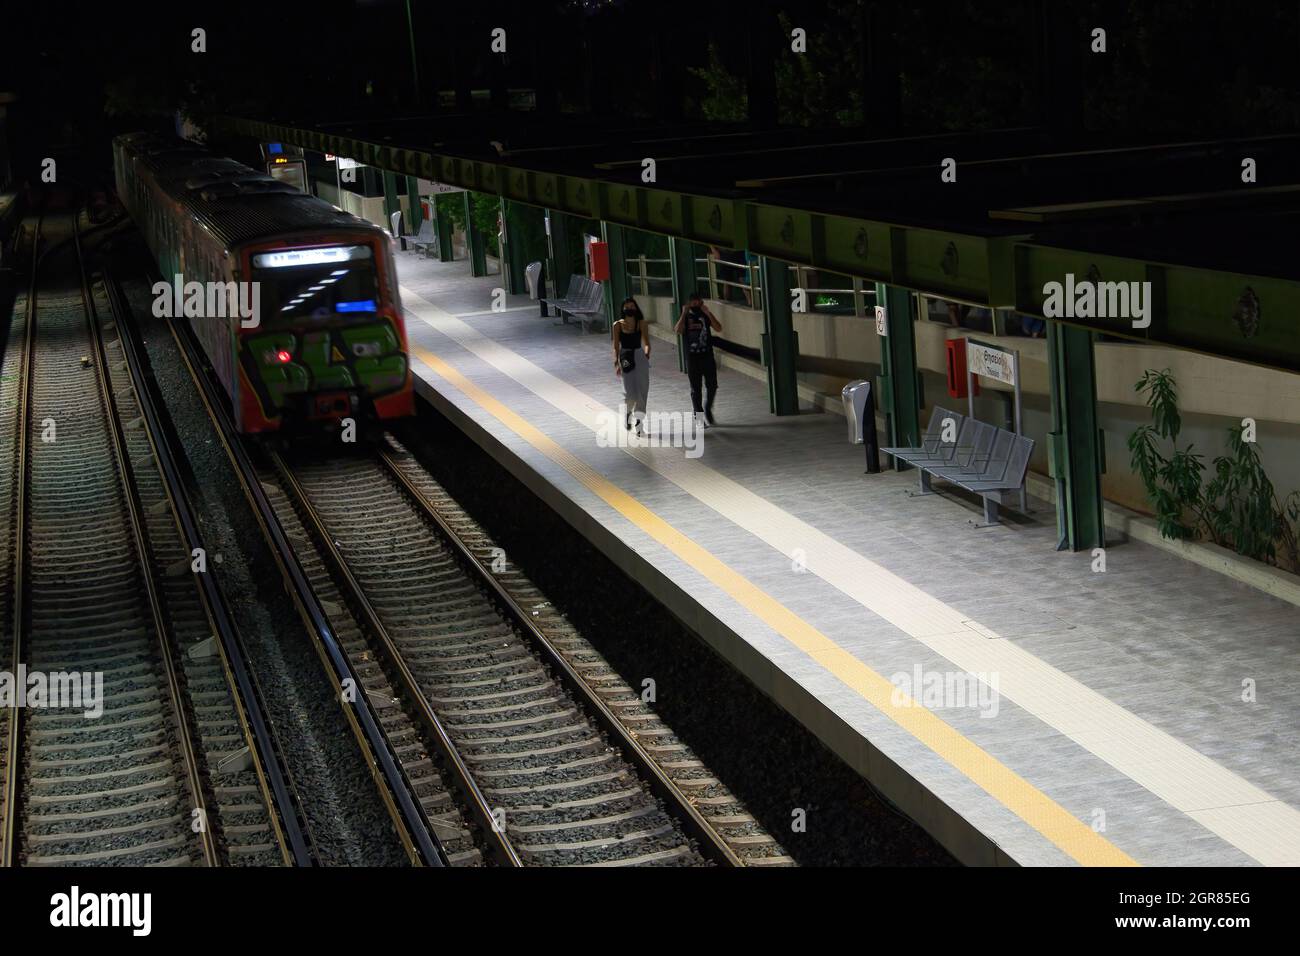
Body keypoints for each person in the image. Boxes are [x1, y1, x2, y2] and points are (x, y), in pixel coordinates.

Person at [674, 292, 722, 426]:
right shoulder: (686, 317)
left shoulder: (705, 316)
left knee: (712, 385)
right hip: (692, 358)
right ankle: (699, 418)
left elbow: (718, 328)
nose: (696, 304)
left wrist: (709, 313)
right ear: (689, 304)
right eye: (693, 302)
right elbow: (677, 330)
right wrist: (683, 314)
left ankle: (708, 409)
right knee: (696, 389)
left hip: (707, 356)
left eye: (698, 302)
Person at [612, 297, 651, 434]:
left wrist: (646, 353)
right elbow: (616, 346)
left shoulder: (642, 323)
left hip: (640, 356)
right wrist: (616, 362)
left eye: (632, 307)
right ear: (623, 310)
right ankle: (628, 413)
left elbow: (646, 343)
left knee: (642, 390)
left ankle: (639, 423)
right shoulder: (617, 325)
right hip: (625, 357)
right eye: (627, 307)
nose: (630, 309)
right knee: (629, 392)